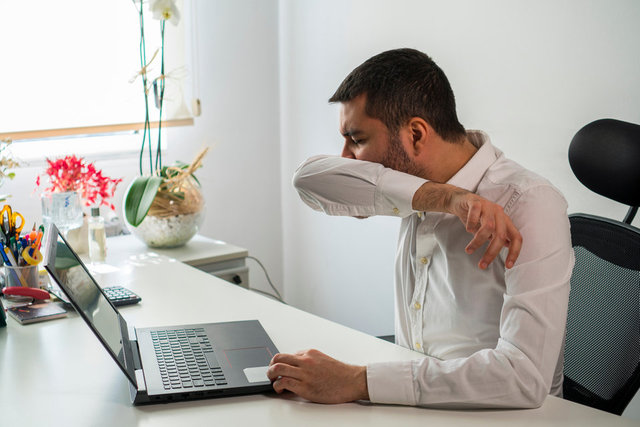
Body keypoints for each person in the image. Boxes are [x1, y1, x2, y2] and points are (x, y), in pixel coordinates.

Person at [267, 48, 574, 408]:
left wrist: (357, 381)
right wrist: (447, 198)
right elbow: (306, 179)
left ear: (415, 135)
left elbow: (523, 377)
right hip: (415, 404)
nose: (347, 158)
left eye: (358, 140)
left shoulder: (529, 203)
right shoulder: (413, 190)